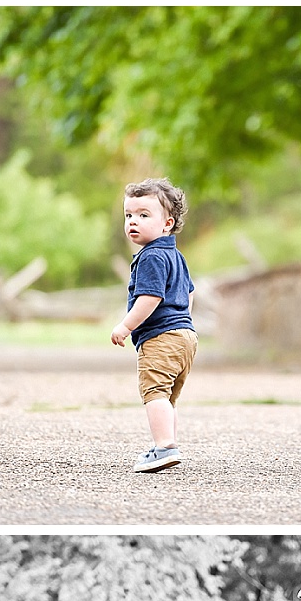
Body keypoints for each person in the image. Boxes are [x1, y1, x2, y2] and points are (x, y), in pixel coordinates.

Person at [110, 177, 198, 473]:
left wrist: (125, 326)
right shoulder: (176, 256)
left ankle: (165, 447)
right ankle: (166, 441)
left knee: (155, 393)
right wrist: (186, 325)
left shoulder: (151, 256)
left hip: (161, 337)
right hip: (185, 337)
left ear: (167, 224)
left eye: (143, 215)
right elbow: (189, 293)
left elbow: (149, 298)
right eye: (129, 215)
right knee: (168, 396)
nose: (133, 221)